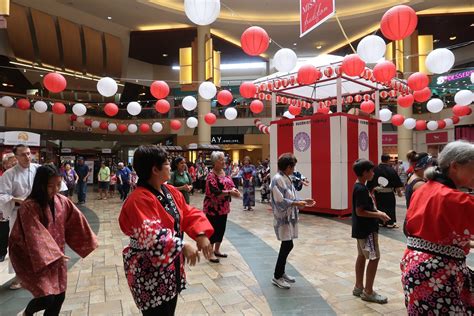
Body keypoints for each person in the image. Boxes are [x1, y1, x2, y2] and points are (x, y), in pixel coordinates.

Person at [119, 145, 214, 315]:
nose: (170, 166)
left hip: (170, 266)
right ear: (155, 169)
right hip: (148, 270)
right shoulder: (138, 199)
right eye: (167, 163)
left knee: (169, 309)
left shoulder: (168, 190)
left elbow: (187, 213)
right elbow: (151, 234)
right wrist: (182, 245)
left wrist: (200, 233)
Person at [9, 164, 98, 316]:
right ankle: (28, 313)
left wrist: (89, 239)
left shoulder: (62, 201)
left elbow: (76, 221)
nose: (55, 189)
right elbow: (33, 233)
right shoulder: (29, 206)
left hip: (58, 256)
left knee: (59, 296)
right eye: (51, 186)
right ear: (41, 185)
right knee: (47, 297)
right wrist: (52, 253)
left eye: (58, 184)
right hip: (36, 257)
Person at [401, 141, 474, 314]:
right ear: (455, 166)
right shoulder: (452, 198)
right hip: (437, 271)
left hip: (415, 264)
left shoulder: (424, 189)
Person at [270, 153, 315, 289]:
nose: (293, 169)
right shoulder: (277, 179)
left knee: (287, 245)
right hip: (283, 218)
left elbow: (290, 196)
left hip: (288, 218)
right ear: (288, 167)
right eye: (293, 166)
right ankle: (277, 276)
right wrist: (297, 203)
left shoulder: (285, 177)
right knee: (287, 245)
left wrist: (303, 201)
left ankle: (280, 273)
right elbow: (280, 201)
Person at [0, 145, 41, 289]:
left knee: (37, 243)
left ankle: (37, 273)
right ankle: (19, 276)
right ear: (16, 157)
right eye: (23, 154)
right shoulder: (9, 174)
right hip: (18, 213)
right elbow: (1, 195)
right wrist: (17, 199)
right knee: (18, 245)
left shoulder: (38, 169)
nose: (27, 157)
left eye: (29, 154)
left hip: (36, 213)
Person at [351, 159, 391, 304]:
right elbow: (360, 211)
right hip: (367, 230)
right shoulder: (361, 189)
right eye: (371, 170)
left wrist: (377, 211)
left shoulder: (359, 186)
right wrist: (379, 215)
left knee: (361, 256)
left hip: (360, 229)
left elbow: (363, 209)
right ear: (365, 172)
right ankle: (368, 291)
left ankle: (358, 286)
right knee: (374, 258)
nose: (373, 173)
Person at [204, 151, 241, 263]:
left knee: (221, 229)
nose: (223, 161)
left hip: (224, 207)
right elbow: (214, 192)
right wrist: (230, 192)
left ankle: (217, 250)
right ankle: (210, 254)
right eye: (220, 159)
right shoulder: (211, 176)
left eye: (223, 159)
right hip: (213, 208)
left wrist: (234, 190)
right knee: (212, 231)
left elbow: (231, 184)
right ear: (215, 162)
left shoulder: (224, 172)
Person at [368, 154, 403, 228]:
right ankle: (390, 222)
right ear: (388, 160)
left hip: (378, 192)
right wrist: (399, 192)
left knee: (380, 207)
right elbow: (396, 182)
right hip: (388, 193)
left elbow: (370, 180)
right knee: (390, 207)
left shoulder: (375, 169)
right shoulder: (391, 170)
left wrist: (370, 190)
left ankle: (381, 222)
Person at [0, 153, 17, 263]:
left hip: (15, 208)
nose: (13, 163)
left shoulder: (18, 174)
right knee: (3, 230)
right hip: (3, 206)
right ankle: (2, 252)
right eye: (11, 161)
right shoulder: (3, 175)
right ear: (5, 164)